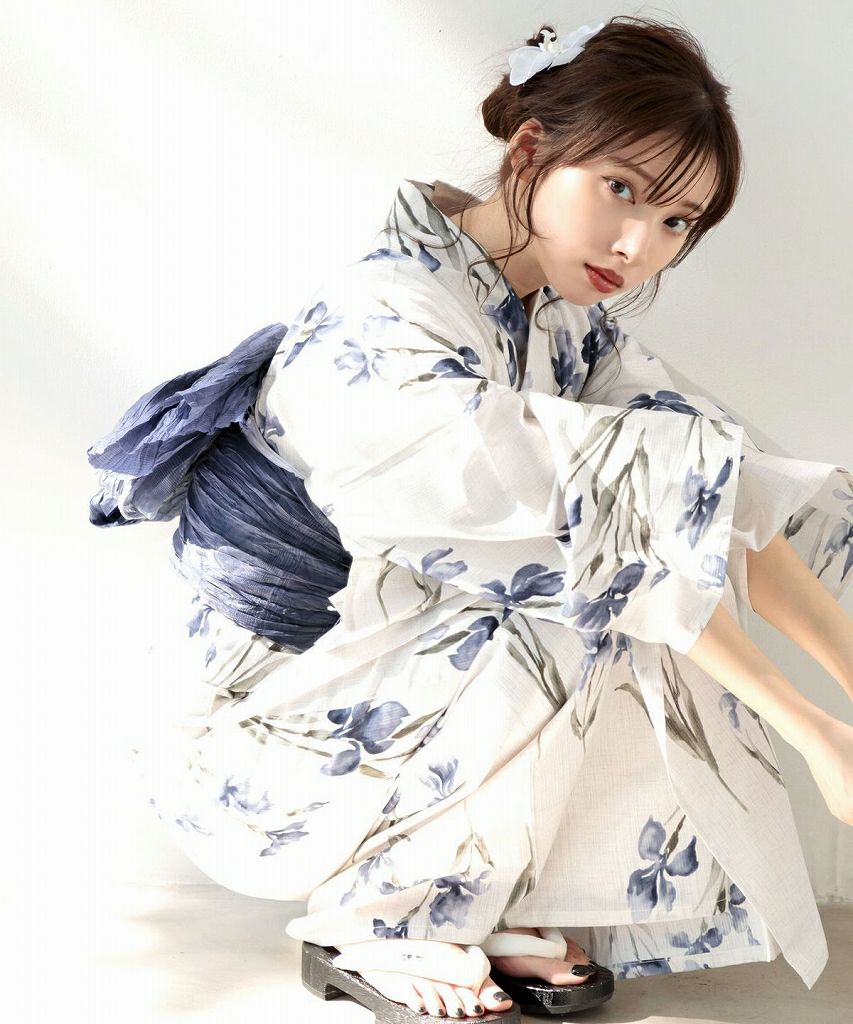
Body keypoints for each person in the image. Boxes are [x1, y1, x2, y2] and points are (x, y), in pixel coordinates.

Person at [87, 15, 853, 1022]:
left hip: (379, 692)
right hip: (260, 737)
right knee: (581, 589)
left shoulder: (564, 324)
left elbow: (712, 479)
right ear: (530, 148)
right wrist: (813, 734)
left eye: (677, 221)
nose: (639, 245)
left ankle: (467, 895)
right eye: (621, 189)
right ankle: (379, 914)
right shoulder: (385, 317)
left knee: (658, 481)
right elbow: (604, 537)